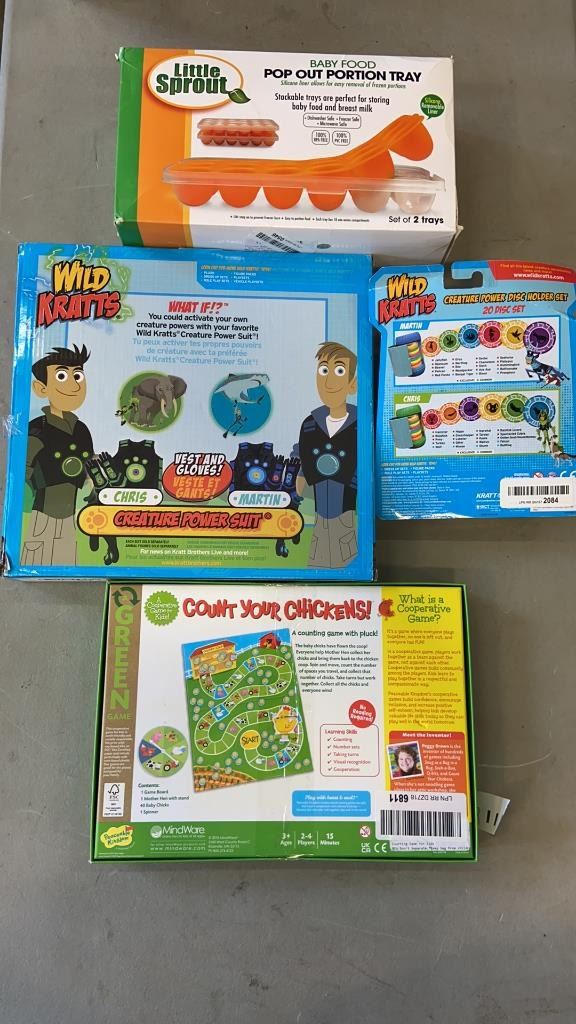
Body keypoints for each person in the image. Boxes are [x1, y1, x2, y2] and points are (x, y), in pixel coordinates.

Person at [21, 344, 93, 567]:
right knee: (37, 561)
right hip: (43, 516)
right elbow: (23, 470)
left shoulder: (81, 429)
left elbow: (89, 468)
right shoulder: (38, 429)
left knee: (67, 561)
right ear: (41, 388)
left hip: (71, 515)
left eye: (78, 376)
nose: (73, 385)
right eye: (62, 376)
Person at [297, 342, 358, 568]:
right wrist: (301, 476)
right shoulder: (310, 423)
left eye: (339, 371)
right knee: (319, 555)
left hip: (346, 508)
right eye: (323, 370)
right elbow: (303, 455)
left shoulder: (360, 423)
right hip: (319, 508)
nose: (329, 381)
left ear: (352, 384)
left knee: (345, 552)